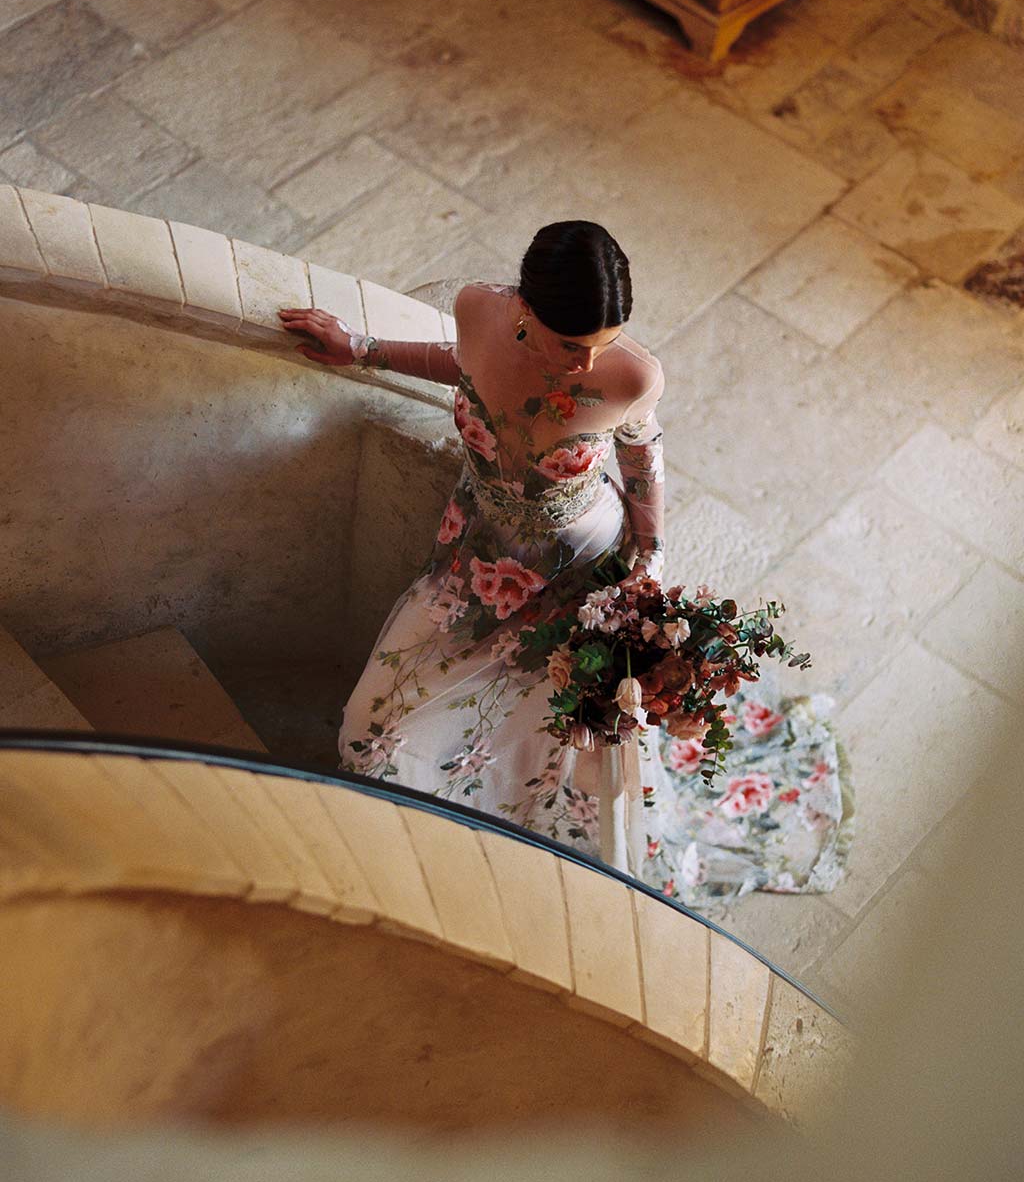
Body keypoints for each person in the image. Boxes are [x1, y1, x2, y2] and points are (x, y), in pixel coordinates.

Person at [279, 222, 853, 910]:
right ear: (523, 308)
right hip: (476, 557)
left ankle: (500, 843)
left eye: (600, 346)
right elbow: (463, 364)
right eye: (569, 345)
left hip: (580, 569)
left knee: (546, 735)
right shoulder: (475, 309)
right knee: (369, 729)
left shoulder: (634, 376)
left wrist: (651, 556)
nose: (584, 366)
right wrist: (363, 348)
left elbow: (642, 456)